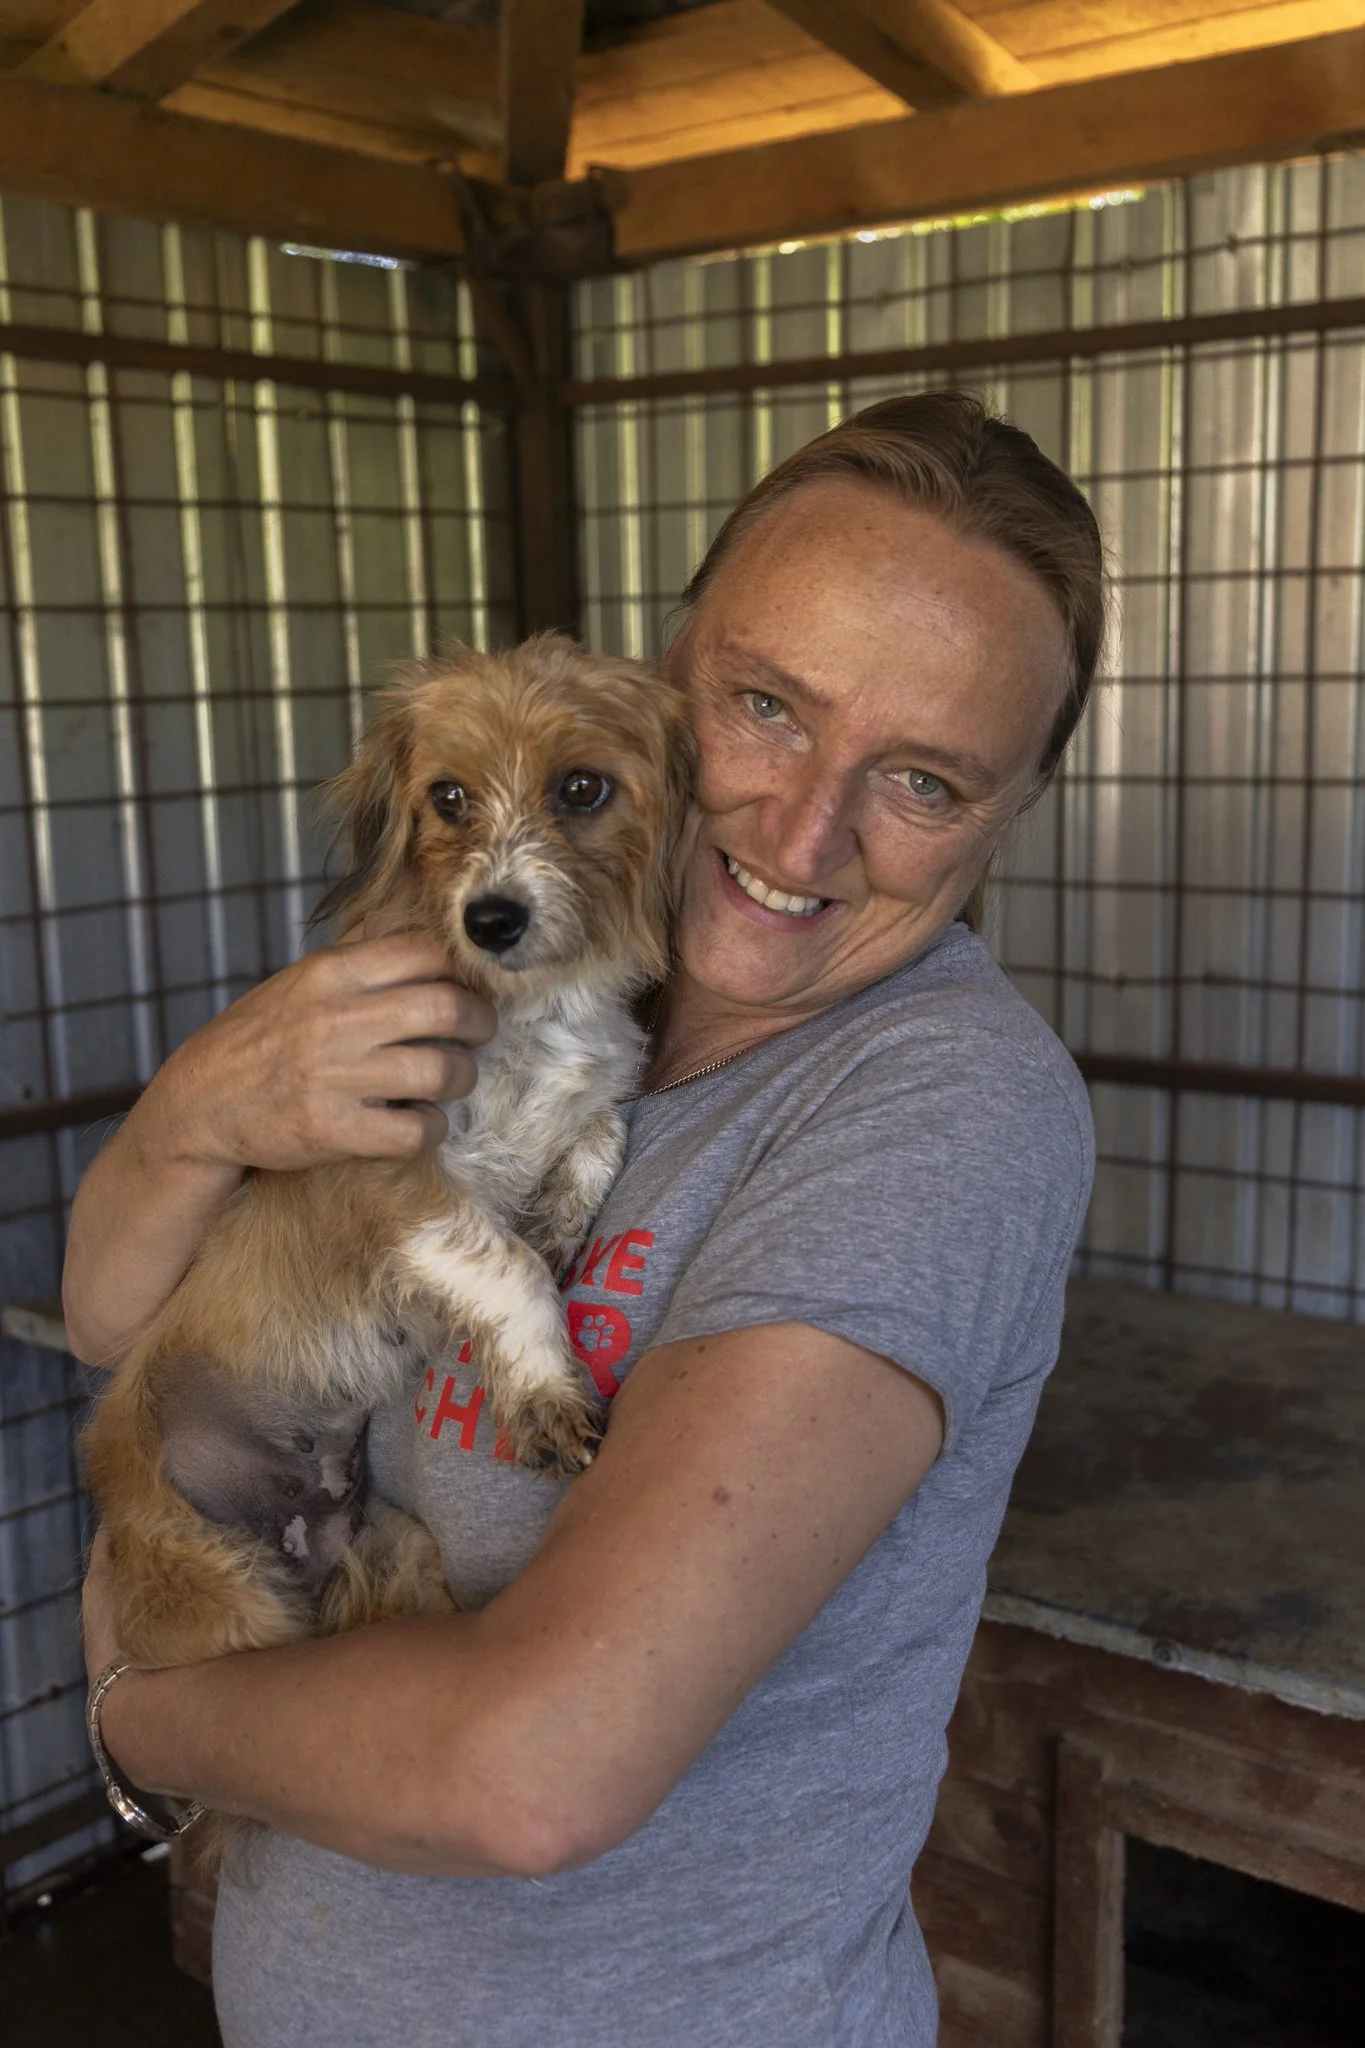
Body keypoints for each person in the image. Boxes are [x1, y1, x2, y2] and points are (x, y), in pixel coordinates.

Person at [69, 390, 1099, 2047]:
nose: (803, 830)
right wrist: (200, 1103)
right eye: (769, 706)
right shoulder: (493, 966)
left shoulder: (938, 1109)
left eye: (922, 780)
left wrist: (134, 1707)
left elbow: (539, 1773)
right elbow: (125, 1319)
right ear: (673, 673)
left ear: (1009, 813)